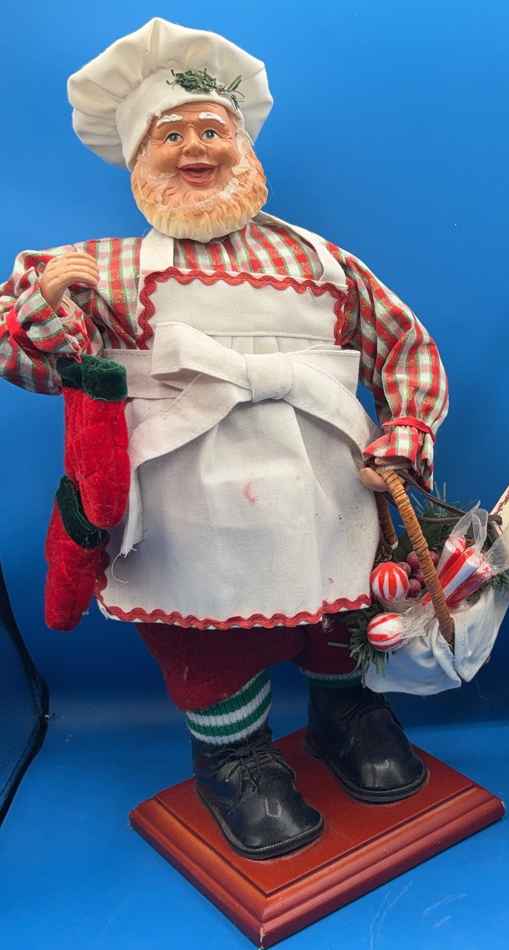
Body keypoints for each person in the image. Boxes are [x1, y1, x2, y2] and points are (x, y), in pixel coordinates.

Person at [0, 18, 448, 859]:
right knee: (207, 639)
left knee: (340, 612)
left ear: (242, 145)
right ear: (139, 158)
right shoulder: (109, 269)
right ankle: (233, 757)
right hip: (189, 505)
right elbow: (35, 367)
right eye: (171, 137)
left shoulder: (322, 262)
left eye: (211, 130)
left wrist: (405, 429)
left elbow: (403, 346)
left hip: (324, 487)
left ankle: (343, 711)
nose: (195, 150)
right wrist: (46, 302)